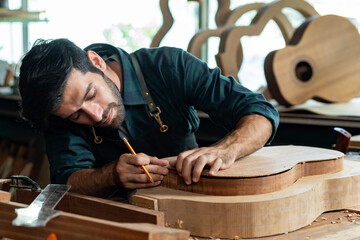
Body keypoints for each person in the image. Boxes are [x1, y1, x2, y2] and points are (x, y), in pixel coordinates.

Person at [19, 38, 279, 198]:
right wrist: (111, 177)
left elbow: (260, 111)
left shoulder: (169, 66)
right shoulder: (57, 112)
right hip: (120, 218)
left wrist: (224, 150)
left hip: (195, 199)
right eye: (77, 115)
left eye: (91, 95)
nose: (96, 115)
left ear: (96, 62)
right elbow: (66, 183)